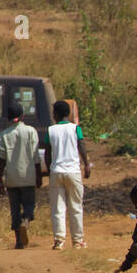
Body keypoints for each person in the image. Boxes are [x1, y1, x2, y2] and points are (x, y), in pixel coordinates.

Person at [0, 101, 44, 249]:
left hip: (11, 178)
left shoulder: (4, 135)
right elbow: (36, 157)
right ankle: (26, 221)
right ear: (22, 116)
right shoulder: (30, 131)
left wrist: (0, 178)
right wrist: (39, 176)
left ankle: (18, 242)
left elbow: (2, 159)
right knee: (29, 205)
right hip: (28, 176)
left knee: (14, 209)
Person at [46, 100, 91, 250]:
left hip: (56, 171)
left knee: (58, 208)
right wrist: (86, 164)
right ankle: (77, 241)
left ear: (56, 114)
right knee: (76, 207)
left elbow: (47, 152)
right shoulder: (75, 128)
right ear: (68, 114)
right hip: (73, 172)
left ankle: (59, 240)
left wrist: (49, 170)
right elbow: (81, 145)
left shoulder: (50, 130)